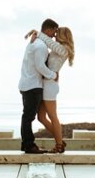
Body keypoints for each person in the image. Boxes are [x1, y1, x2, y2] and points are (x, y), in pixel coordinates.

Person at [28, 24, 75, 154]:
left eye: (56, 33)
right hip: (46, 84)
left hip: (50, 86)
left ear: (62, 36)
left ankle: (59, 145)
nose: (54, 36)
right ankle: (59, 140)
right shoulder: (58, 49)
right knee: (41, 117)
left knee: (52, 116)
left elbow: (49, 43)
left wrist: (38, 33)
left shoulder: (64, 49)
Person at [18, 18, 59, 153]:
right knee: (28, 117)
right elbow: (40, 66)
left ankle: (26, 145)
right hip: (33, 85)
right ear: (48, 29)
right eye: (53, 32)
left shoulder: (34, 42)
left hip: (27, 83)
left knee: (27, 116)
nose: (54, 35)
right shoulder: (41, 46)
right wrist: (53, 75)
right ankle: (29, 146)